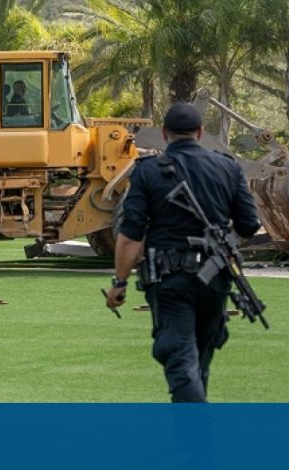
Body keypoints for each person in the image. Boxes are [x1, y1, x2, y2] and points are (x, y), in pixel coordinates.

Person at [105, 102, 261, 403]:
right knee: (198, 359)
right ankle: (191, 427)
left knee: (180, 358)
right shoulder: (227, 167)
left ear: (164, 133)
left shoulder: (148, 171)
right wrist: (221, 246)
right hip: (215, 278)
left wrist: (119, 283)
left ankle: (196, 427)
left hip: (170, 280)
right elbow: (249, 224)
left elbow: (130, 234)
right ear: (200, 132)